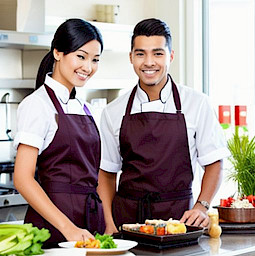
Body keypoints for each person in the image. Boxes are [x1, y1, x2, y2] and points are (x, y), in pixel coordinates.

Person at [97, 18, 230, 234]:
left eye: (158, 53)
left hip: (180, 221)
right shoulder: (113, 112)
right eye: (141, 54)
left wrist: (202, 206)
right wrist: (108, 224)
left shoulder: (197, 103)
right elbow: (107, 173)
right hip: (129, 223)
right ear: (131, 57)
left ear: (171, 56)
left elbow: (214, 163)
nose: (149, 62)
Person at [13, 18, 105, 246]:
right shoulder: (37, 105)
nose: (88, 67)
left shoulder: (86, 108)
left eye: (95, 60)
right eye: (81, 56)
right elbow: (23, 179)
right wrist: (68, 228)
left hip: (89, 222)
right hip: (53, 226)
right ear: (57, 52)